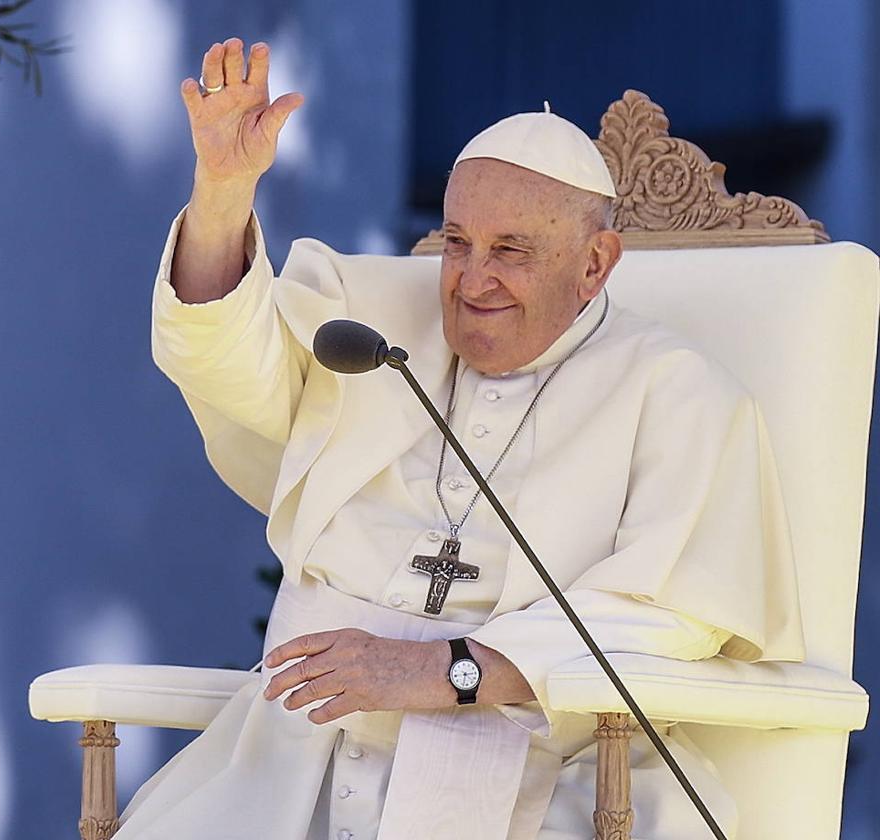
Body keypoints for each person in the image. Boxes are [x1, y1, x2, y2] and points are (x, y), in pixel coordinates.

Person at [120, 37, 805, 840]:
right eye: (457, 242)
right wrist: (224, 194)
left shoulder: (682, 395)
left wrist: (444, 669)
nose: (471, 279)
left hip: (535, 777)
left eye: (512, 251)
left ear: (596, 263)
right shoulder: (366, 321)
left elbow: (673, 618)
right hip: (292, 759)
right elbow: (222, 361)